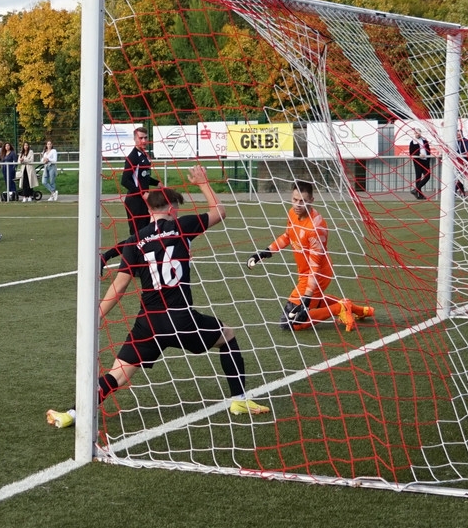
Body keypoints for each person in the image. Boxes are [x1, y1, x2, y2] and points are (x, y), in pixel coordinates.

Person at [47, 165, 270, 429]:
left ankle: (72, 414)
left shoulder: (134, 241)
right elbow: (220, 212)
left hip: (148, 323)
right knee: (228, 335)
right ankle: (239, 400)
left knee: (118, 374)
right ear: (172, 208)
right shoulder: (182, 226)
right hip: (180, 319)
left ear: (149, 209)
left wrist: (97, 315)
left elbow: (119, 286)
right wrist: (202, 182)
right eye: (177, 208)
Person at [246, 181, 374, 332]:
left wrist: (306, 298)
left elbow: (314, 267)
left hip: (317, 273)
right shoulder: (292, 213)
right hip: (305, 273)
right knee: (315, 302)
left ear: (311, 200)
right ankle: (356, 309)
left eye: (302, 201)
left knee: (289, 323)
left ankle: (340, 308)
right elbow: (287, 236)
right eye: (295, 199)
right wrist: (265, 252)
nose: (297, 205)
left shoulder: (316, 227)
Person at [121, 126, 159, 235]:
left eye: (145, 138)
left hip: (144, 200)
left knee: (147, 232)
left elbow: (143, 177)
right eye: (141, 138)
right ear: (135, 139)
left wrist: (157, 183)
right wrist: (142, 193)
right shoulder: (132, 157)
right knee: (137, 235)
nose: (144, 140)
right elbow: (125, 181)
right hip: (135, 201)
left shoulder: (144, 155)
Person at [408, 127, 432, 200]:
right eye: (416, 133)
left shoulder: (425, 141)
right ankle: (420, 195)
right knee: (418, 177)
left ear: (420, 133)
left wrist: (428, 157)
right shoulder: (412, 142)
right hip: (418, 161)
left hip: (426, 161)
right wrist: (419, 154)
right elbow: (411, 152)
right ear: (414, 134)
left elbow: (428, 149)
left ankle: (415, 190)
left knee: (427, 176)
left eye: (418, 133)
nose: (417, 134)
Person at [455, 129, 468, 196]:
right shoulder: (454, 142)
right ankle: (462, 192)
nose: (458, 136)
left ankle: (455, 190)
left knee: (461, 176)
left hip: (463, 161)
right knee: (459, 177)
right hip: (456, 161)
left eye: (459, 134)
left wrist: (464, 153)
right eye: (457, 134)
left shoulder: (465, 141)